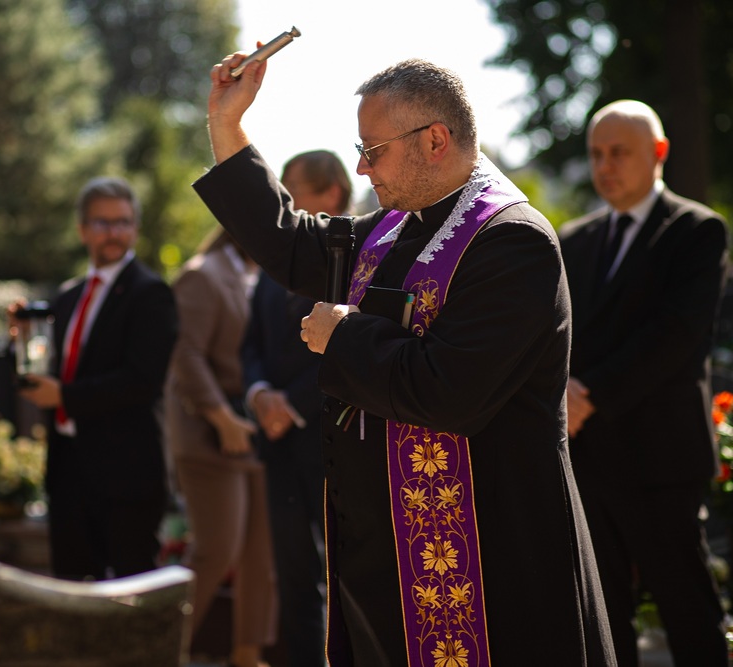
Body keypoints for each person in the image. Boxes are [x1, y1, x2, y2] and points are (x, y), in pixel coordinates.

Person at [194, 56, 616, 666]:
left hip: (485, 559)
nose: (361, 166)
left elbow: (449, 390)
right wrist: (226, 123)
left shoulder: (513, 241)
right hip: (386, 558)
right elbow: (290, 239)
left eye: (373, 149)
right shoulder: (395, 227)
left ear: (435, 140)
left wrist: (343, 337)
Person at [559, 100, 729, 666]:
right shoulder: (574, 240)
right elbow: (557, 330)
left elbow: (676, 337)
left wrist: (587, 396)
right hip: (589, 457)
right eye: (597, 154)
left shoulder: (695, 230)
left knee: (689, 613)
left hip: (662, 460)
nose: (606, 166)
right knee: (603, 621)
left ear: (658, 153)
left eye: (620, 153)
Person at [12, 176, 177, 581]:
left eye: (123, 222)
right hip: (69, 472)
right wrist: (17, 341)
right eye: (102, 223)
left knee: (130, 599)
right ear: (82, 229)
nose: (114, 232)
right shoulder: (68, 296)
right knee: (71, 593)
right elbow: (45, 368)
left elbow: (142, 381)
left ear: (135, 228)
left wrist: (65, 397)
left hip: (126, 476)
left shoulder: (151, 293)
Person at [241, 149, 351, 667]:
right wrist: (260, 395)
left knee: (346, 576)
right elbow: (250, 345)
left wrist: (296, 405)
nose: (281, 199)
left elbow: (355, 346)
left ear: (330, 193)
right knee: (292, 576)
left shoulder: (355, 258)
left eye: (291, 186)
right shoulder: (272, 262)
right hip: (276, 441)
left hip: (334, 442)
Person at [164, 228, 276, 667]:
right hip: (208, 435)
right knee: (218, 550)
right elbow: (186, 354)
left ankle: (247, 654)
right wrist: (221, 418)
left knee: (261, 554)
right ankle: (163, 647)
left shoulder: (264, 274)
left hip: (255, 432)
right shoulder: (201, 275)